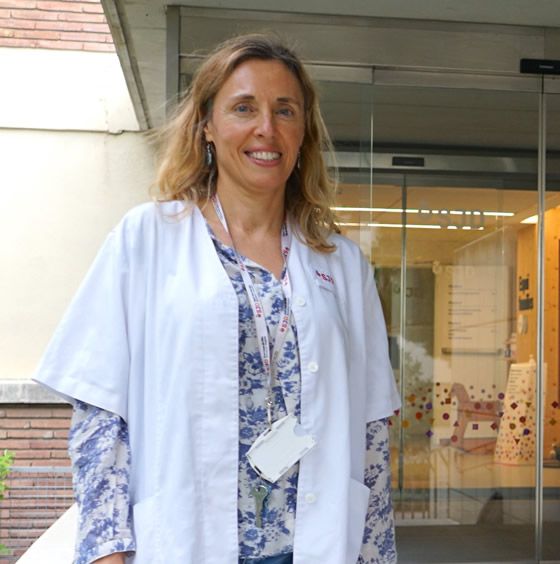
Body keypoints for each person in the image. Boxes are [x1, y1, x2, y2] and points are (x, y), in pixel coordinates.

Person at [34, 34, 401, 564]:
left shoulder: (341, 263)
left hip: (318, 546)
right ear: (206, 124)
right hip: (185, 542)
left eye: (285, 110)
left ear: (303, 132)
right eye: (244, 107)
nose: (266, 128)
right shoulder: (147, 239)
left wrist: (376, 554)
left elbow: (371, 436)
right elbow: (100, 416)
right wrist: (105, 551)